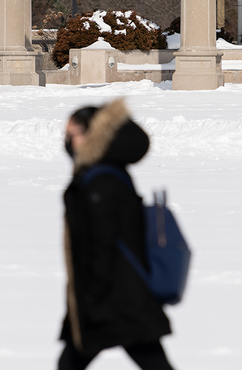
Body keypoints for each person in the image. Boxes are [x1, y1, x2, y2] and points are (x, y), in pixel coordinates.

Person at [59, 98, 175, 370]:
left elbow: (102, 243)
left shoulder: (100, 181)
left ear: (90, 135)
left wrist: (92, 294)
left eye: (71, 134)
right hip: (119, 294)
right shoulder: (106, 173)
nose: (67, 141)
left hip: (113, 296)